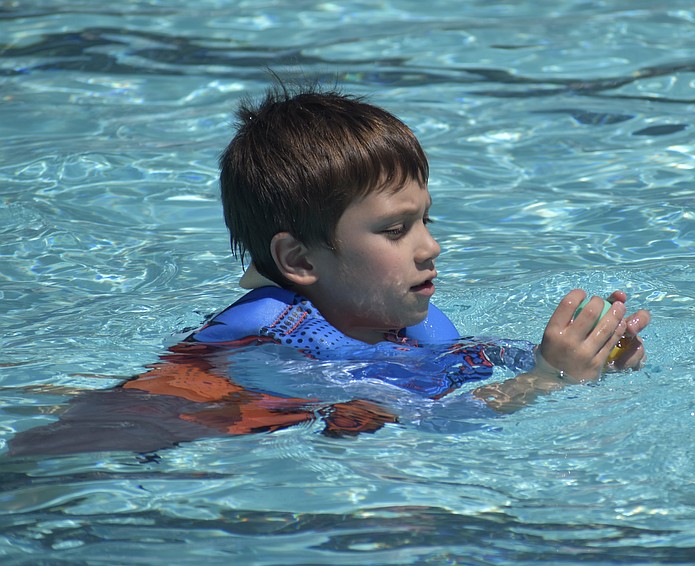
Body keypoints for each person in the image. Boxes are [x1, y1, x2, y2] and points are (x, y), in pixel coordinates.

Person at [7, 80, 649, 457]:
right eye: (395, 230)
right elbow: (430, 424)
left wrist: (585, 354)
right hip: (154, 430)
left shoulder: (394, 315)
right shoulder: (271, 340)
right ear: (298, 260)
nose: (430, 248)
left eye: (426, 219)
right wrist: (544, 383)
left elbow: (459, 363)